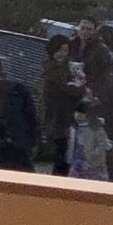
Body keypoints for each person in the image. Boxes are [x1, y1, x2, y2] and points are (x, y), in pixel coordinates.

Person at [70, 17, 113, 181]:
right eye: (82, 28)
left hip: (99, 101)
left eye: (88, 29)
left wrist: (99, 95)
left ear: (94, 31)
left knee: (102, 140)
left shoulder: (101, 50)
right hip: (80, 98)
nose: (85, 32)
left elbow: (110, 77)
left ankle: (111, 178)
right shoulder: (73, 46)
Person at [40, 34, 84, 177]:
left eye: (66, 50)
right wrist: (79, 88)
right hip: (58, 114)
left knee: (66, 153)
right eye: (60, 50)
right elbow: (67, 88)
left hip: (65, 114)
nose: (63, 54)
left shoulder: (68, 67)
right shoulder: (52, 69)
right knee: (62, 153)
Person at [68, 100, 111, 181]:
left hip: (94, 163)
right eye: (76, 113)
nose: (78, 115)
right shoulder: (74, 128)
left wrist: (95, 153)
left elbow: (103, 143)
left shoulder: (96, 128)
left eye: (81, 113)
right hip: (76, 161)